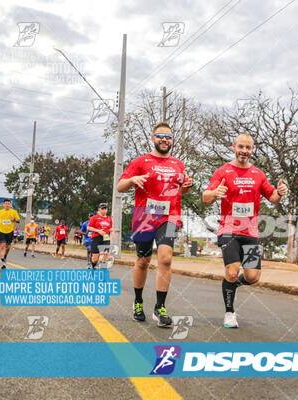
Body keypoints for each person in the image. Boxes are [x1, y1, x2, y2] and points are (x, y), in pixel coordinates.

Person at [202, 133, 287, 328]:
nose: (244, 151)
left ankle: (230, 284)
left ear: (252, 150)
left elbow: (272, 197)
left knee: (252, 277)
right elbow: (206, 197)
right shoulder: (223, 171)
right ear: (234, 147)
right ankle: (229, 312)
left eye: (248, 148)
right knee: (232, 271)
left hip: (250, 233)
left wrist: (280, 193)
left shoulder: (258, 174)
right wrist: (215, 193)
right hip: (229, 230)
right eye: (241, 147)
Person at [117, 121, 192, 327]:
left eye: (168, 137)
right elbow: (120, 186)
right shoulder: (141, 162)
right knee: (143, 260)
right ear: (153, 138)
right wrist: (133, 180)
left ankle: (160, 308)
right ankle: (138, 302)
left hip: (170, 216)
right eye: (160, 136)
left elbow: (181, 191)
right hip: (145, 217)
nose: (164, 140)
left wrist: (185, 186)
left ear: (172, 140)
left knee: (165, 259)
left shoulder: (178, 164)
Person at [0, 199, 20, 269]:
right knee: (2, 246)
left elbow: (18, 220)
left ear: (10, 205)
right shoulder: (0, 212)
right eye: (6, 203)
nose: (7, 205)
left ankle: (5, 256)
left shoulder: (14, 212)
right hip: (1, 231)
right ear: (3, 204)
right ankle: (3, 261)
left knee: (8, 247)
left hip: (10, 232)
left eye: (8, 204)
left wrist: (14, 219)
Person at [87, 204, 113, 269]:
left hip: (106, 238)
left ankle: (102, 271)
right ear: (99, 209)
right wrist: (98, 231)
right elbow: (88, 227)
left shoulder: (109, 218)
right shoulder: (94, 217)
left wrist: (113, 232)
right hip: (96, 238)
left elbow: (110, 228)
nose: (104, 210)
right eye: (102, 209)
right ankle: (92, 266)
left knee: (106, 253)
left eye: (105, 209)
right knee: (95, 259)